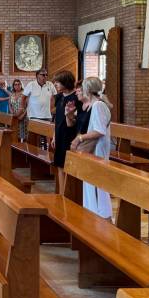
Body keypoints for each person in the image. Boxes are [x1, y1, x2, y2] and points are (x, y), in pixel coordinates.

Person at [70, 77, 113, 219]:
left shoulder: (98, 105)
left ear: (88, 89)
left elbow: (99, 131)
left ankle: (100, 214)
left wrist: (80, 138)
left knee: (98, 182)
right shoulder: (94, 105)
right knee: (90, 182)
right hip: (94, 147)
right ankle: (92, 212)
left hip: (98, 148)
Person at [51, 70, 80, 169]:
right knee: (59, 165)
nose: (55, 84)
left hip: (69, 134)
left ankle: (67, 185)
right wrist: (54, 136)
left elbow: (76, 119)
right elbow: (57, 118)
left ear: (66, 81)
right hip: (59, 133)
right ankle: (62, 185)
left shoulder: (76, 98)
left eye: (58, 82)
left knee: (68, 166)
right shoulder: (59, 97)